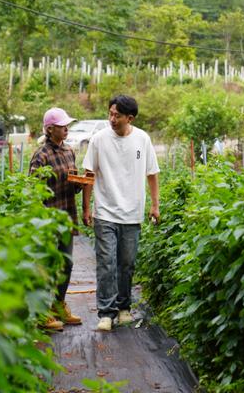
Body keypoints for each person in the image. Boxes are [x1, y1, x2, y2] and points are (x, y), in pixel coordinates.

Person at [82, 95, 160, 331]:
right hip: (105, 211)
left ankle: (124, 307)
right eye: (110, 113)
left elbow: (152, 174)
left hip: (132, 213)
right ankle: (106, 313)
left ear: (130, 118)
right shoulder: (98, 140)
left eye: (117, 115)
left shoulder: (142, 140)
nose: (112, 119)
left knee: (126, 264)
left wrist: (155, 205)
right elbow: (89, 174)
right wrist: (87, 207)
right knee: (106, 263)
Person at [29, 107, 82, 330]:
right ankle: (41, 313)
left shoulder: (70, 152)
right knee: (47, 265)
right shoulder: (41, 155)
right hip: (48, 218)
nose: (66, 129)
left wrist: (79, 183)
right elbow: (33, 188)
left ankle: (58, 305)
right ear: (50, 129)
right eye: (62, 126)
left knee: (66, 264)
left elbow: (75, 184)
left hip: (67, 215)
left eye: (67, 125)